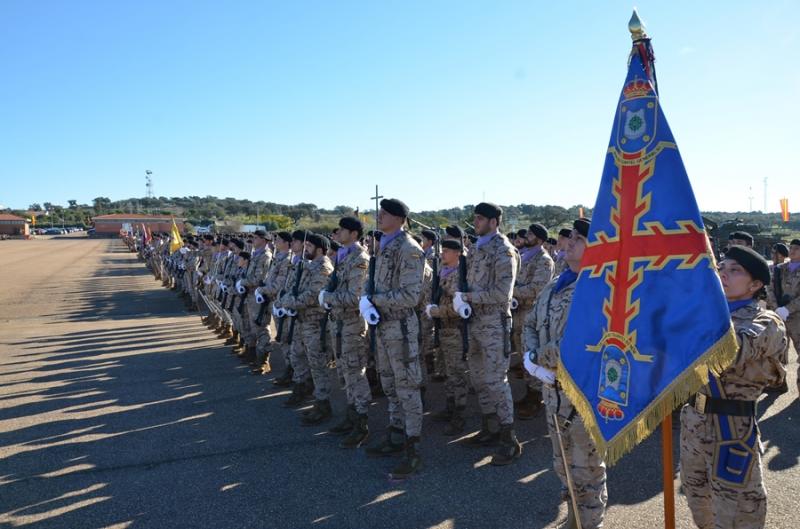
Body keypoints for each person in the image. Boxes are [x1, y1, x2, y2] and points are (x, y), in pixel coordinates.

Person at [681, 245, 788, 529]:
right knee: (698, 501)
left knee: (738, 511)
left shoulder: (765, 321)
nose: (723, 274)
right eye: (722, 268)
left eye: (734, 270)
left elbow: (729, 353)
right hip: (693, 423)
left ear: (755, 285)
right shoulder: (703, 313)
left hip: (730, 429)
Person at [523, 217, 607, 529]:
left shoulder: (600, 289)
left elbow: (582, 341)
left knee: (586, 469)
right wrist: (533, 358)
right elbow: (530, 323)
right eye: (569, 236)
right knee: (563, 463)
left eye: (578, 238)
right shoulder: (554, 285)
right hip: (553, 390)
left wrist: (537, 359)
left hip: (582, 393)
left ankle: (589, 524)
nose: (568, 241)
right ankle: (573, 520)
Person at [361, 198, 425, 479]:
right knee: (389, 384)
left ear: (399, 219)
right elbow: (372, 282)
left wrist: (373, 299)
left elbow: (410, 296)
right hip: (383, 327)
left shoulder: (409, 250)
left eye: (385, 213)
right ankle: (396, 433)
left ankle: (413, 449)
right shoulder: (382, 246)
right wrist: (366, 299)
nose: (379, 216)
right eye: (380, 212)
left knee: (407, 387)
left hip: (400, 329)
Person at [457, 202, 521, 466]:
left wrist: (469, 297)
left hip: (494, 324)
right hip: (473, 322)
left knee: (496, 380)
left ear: (494, 221)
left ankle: (509, 438)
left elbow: (501, 294)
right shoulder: (477, 247)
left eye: (481, 218)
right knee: (479, 378)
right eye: (475, 218)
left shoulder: (503, 251)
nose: (476, 222)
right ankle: (490, 426)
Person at [320, 216, 372, 448]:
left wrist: (328, 297)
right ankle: (351, 416)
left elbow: (354, 297)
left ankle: (361, 423)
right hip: (339, 323)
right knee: (344, 372)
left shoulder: (360, 259)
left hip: (352, 324)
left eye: (341, 230)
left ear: (353, 234)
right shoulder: (343, 256)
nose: (337, 234)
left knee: (355, 373)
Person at [426, 239, 470, 435]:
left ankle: (459, 414)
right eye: (442, 250)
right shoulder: (442, 272)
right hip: (443, 330)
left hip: (456, 330)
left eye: (447, 251)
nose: (443, 254)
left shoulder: (461, 276)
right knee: (447, 372)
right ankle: (450, 406)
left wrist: (437, 311)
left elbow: (460, 308)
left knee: (457, 373)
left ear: (458, 254)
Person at [513, 223, 555, 419]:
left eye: (530, 234)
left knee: (532, 355)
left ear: (539, 240)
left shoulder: (544, 261)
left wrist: (511, 292)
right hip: (519, 313)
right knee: (522, 355)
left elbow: (537, 289)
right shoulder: (524, 257)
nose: (526, 236)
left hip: (532, 316)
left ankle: (537, 397)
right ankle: (529, 393)